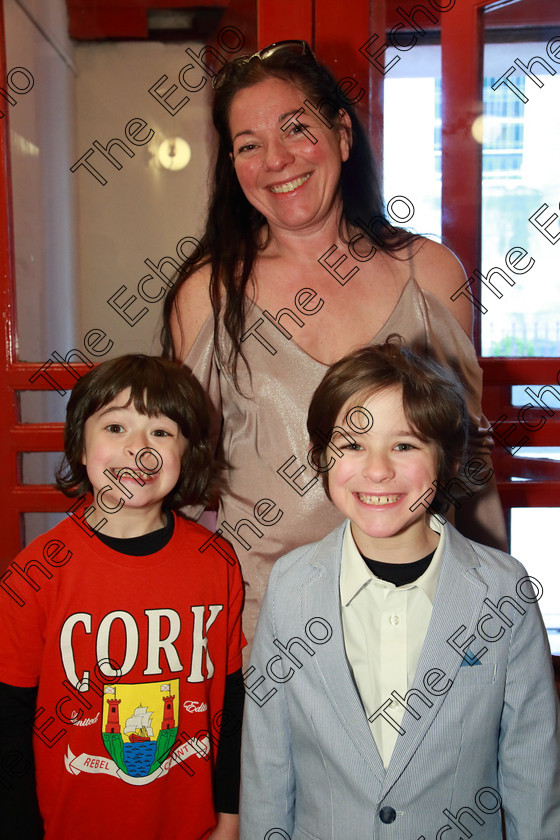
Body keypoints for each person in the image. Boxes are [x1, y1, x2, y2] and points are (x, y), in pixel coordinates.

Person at [161, 39, 507, 649]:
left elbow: (469, 461)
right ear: (232, 167)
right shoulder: (207, 294)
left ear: (342, 135)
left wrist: (493, 618)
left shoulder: (428, 275)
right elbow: (184, 477)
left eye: (297, 129)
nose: (276, 160)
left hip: (419, 623)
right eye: (248, 145)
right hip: (265, 635)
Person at [240, 338, 560, 840]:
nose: (377, 470)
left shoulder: (503, 591)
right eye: (352, 445)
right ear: (320, 457)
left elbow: (533, 774)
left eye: (404, 445)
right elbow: (267, 767)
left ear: (449, 460)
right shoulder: (291, 586)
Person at [0, 355, 245, 840]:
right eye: (116, 427)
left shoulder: (217, 563)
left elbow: (231, 705)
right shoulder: (34, 572)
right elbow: (9, 720)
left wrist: (229, 814)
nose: (139, 450)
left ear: (188, 453)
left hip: (189, 827)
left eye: (161, 432)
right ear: (81, 448)